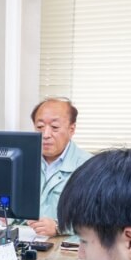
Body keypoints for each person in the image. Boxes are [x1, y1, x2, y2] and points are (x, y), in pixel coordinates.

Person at [26, 97, 92, 237]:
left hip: (67, 250)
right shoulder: (24, 161)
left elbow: (98, 219)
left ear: (71, 129)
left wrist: (59, 226)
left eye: (55, 127)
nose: (46, 135)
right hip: (27, 243)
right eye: (40, 127)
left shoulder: (89, 167)